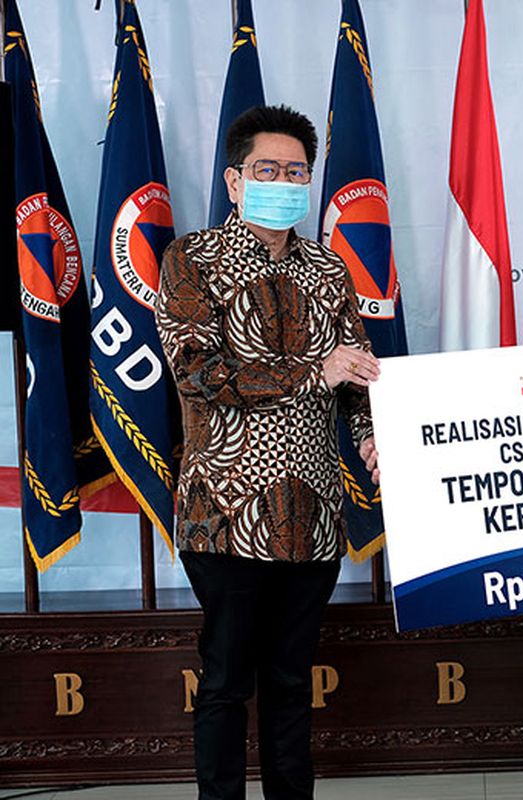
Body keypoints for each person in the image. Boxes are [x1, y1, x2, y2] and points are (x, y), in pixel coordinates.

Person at [155, 104, 382, 800]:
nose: (282, 182)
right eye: (267, 170)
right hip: (225, 513)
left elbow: (355, 374)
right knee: (226, 680)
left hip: (313, 516)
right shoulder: (191, 260)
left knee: (290, 682)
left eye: (295, 172)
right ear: (234, 180)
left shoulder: (330, 268)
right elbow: (198, 373)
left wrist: (370, 434)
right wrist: (316, 371)